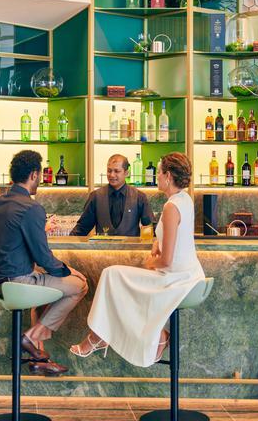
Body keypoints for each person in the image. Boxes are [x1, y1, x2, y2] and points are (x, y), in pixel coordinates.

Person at [70, 152, 205, 368]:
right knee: (116, 278)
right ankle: (147, 334)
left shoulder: (171, 207)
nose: (157, 177)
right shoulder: (184, 200)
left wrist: (148, 264)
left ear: (168, 176)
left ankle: (99, 337)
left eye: (159, 173)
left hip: (174, 279)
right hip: (188, 275)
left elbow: (166, 260)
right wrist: (157, 242)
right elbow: (174, 239)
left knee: (111, 275)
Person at [0, 150, 88, 376]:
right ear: (33, 174)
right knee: (79, 285)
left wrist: (39, 230)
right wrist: (69, 270)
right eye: (39, 175)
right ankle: (30, 337)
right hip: (19, 283)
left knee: (45, 294)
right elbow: (43, 258)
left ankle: (39, 357)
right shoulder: (32, 207)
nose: (40, 180)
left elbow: (13, 239)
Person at [70, 154, 154, 237]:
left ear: (126, 173)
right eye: (109, 171)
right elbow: (82, 228)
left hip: (131, 249)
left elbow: (150, 228)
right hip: (102, 249)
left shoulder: (140, 197)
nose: (112, 175)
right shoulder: (95, 196)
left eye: (116, 171)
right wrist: (64, 244)